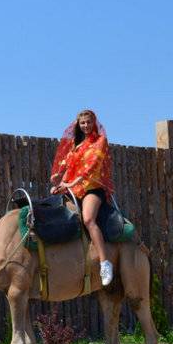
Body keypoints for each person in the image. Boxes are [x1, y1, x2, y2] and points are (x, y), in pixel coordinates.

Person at [49, 109, 115, 286]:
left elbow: (91, 167)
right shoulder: (76, 145)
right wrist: (60, 184)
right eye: (82, 123)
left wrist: (70, 184)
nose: (86, 126)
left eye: (88, 122)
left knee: (88, 219)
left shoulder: (100, 142)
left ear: (94, 123)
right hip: (74, 189)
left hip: (92, 189)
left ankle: (104, 263)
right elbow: (69, 168)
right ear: (78, 125)